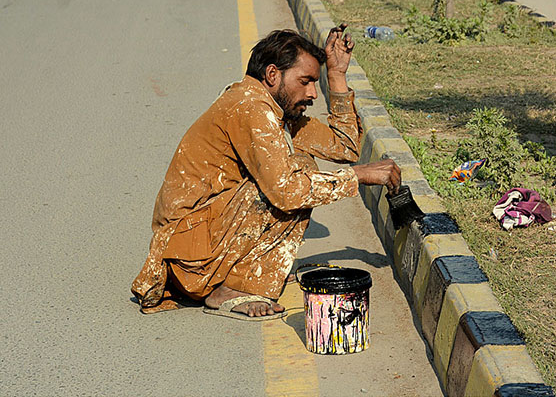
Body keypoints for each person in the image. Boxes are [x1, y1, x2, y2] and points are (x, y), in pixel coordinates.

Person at [131, 26, 401, 320]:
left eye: (315, 82)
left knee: (297, 168)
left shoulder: (275, 110)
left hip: (198, 243)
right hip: (188, 255)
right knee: (294, 178)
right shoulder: (250, 106)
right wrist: (357, 177)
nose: (312, 93)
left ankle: (235, 274)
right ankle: (232, 289)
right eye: (306, 81)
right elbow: (286, 191)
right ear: (273, 75)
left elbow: (344, 147)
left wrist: (336, 75)